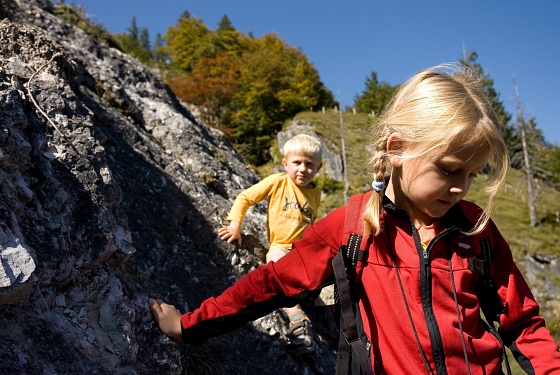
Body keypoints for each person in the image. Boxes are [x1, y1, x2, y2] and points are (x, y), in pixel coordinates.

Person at [149, 64, 560, 374]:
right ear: (396, 148)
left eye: (472, 175)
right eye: (450, 169)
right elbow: (272, 284)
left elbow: (523, 324)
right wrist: (189, 325)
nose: (461, 189)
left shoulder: (477, 230)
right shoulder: (352, 228)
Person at [217, 133, 323, 355]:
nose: (302, 169)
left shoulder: (315, 193)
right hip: (282, 247)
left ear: (319, 167)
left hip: (305, 253)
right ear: (285, 164)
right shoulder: (278, 182)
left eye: (309, 164)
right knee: (274, 265)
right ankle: (296, 319)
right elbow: (246, 197)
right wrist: (235, 226)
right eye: (297, 163)